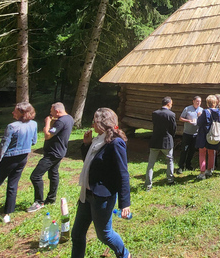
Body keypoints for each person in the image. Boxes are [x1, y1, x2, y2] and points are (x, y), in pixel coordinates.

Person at [71, 108, 132, 258]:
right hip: (87, 194)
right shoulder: (98, 139)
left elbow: (123, 174)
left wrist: (125, 203)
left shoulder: (115, 143)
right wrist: (86, 145)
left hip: (102, 196)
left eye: (94, 120)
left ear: (101, 123)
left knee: (105, 235)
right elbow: (91, 164)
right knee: (77, 233)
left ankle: (125, 255)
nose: (92, 124)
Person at [28, 102, 74, 212]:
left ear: (57, 111)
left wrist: (47, 122)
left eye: (51, 111)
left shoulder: (60, 122)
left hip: (52, 154)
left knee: (35, 176)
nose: (50, 113)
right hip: (59, 151)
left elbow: (48, 135)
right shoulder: (69, 118)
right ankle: (51, 198)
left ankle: (39, 202)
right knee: (53, 174)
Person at [145, 97, 176, 190]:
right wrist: (171, 136)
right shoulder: (171, 114)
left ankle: (148, 184)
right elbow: (173, 128)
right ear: (168, 103)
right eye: (171, 104)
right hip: (166, 140)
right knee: (169, 160)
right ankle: (170, 180)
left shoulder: (155, 113)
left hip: (155, 140)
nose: (172, 105)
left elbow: (155, 125)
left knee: (151, 163)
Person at [195, 95, 220, 180]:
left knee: (202, 153)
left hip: (204, 135)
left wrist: (199, 116)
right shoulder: (218, 111)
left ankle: (202, 173)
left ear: (207, 103)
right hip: (213, 135)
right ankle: (209, 170)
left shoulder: (205, 112)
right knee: (211, 152)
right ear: (215, 103)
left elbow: (199, 123)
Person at [176, 96, 203, 174]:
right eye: (197, 101)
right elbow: (180, 118)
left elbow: (203, 121)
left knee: (192, 150)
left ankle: (188, 164)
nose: (198, 103)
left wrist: (200, 117)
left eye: (200, 101)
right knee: (184, 149)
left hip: (196, 134)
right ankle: (181, 166)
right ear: (193, 101)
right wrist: (188, 121)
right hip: (187, 133)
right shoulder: (187, 109)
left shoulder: (201, 110)